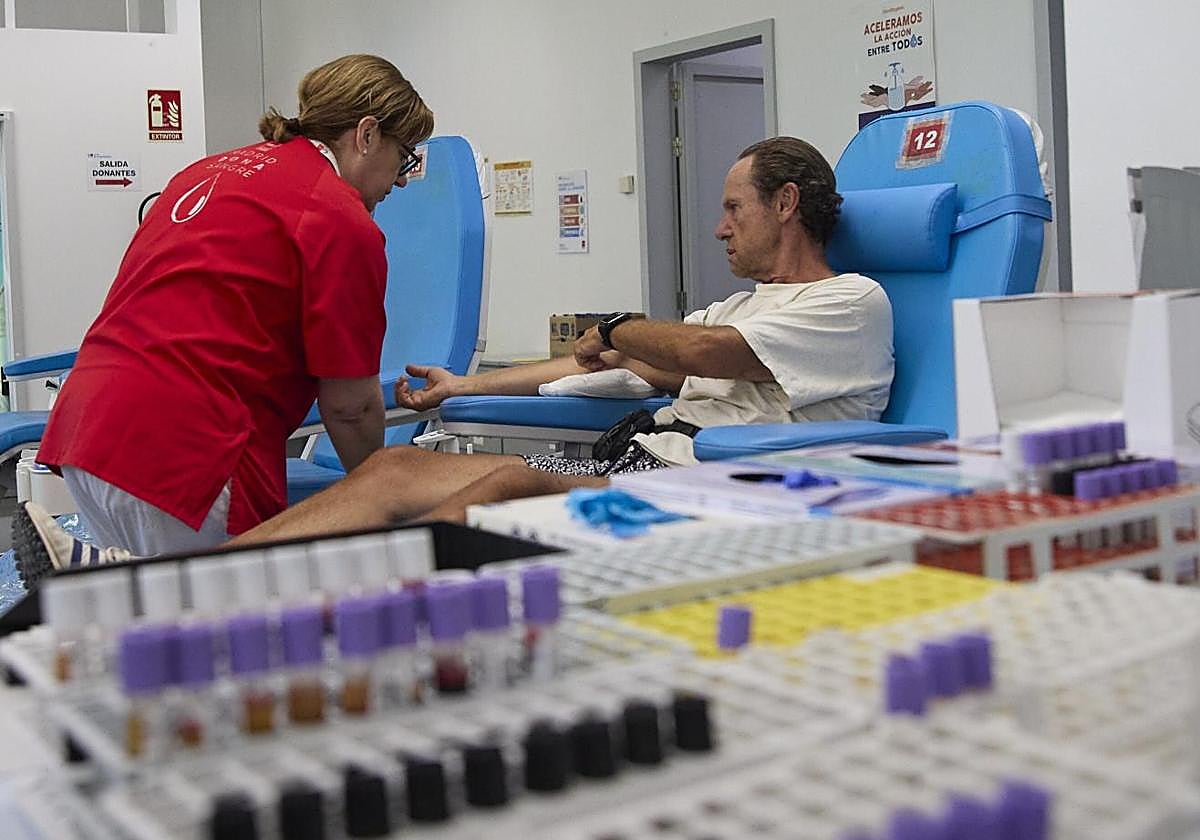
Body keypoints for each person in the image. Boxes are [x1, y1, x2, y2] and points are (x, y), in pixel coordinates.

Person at [16, 136, 893, 573]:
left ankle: (323, 613)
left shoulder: (850, 302)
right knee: (394, 470)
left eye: (735, 208)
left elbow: (704, 350)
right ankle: (181, 585)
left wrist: (622, 323)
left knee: (502, 484)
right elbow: (600, 368)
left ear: (786, 204)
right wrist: (466, 383)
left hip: (709, 483)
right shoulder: (736, 303)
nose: (719, 225)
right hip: (636, 456)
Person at [31, 54, 434, 562]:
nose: (400, 180)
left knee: (148, 618)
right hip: (185, 458)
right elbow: (349, 407)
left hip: (87, 432)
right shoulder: (339, 219)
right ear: (368, 135)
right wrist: (387, 495)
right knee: (227, 626)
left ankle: (92, 578)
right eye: (406, 157)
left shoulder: (203, 173)